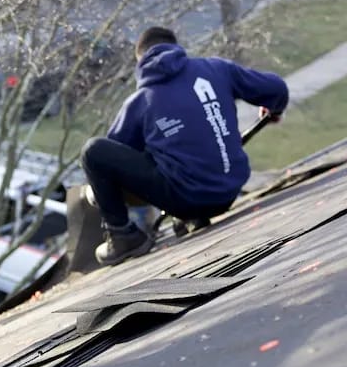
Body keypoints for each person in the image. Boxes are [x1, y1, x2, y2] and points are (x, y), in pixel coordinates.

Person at [81, 26, 288, 267]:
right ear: (176, 48)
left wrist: (96, 193)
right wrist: (274, 108)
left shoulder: (141, 101)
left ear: (141, 60)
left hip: (187, 197)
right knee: (169, 149)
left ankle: (122, 235)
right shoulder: (217, 69)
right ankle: (190, 218)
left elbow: (114, 162)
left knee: (93, 151)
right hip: (228, 190)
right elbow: (277, 89)